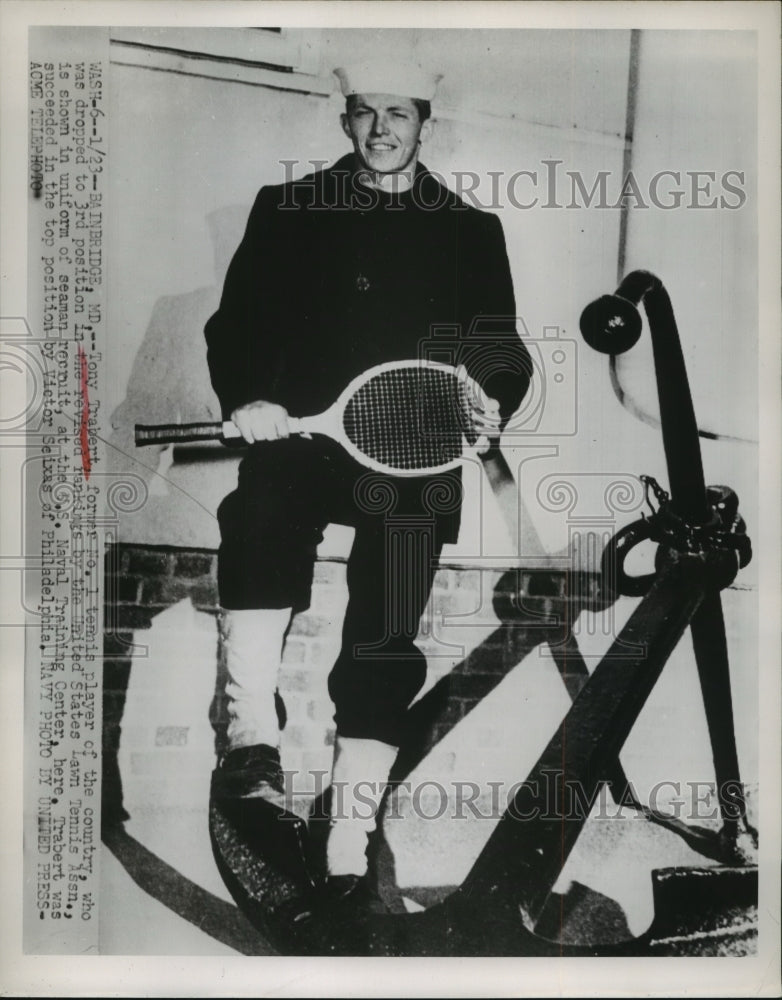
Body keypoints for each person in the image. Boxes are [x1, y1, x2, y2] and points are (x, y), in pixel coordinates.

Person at [204, 60, 532, 910]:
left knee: (389, 618)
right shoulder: (288, 210)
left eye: (399, 114)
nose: (381, 129)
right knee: (261, 511)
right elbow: (236, 322)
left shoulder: (470, 229)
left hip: (416, 456)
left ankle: (350, 827)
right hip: (306, 439)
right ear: (343, 121)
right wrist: (249, 397)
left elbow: (501, 347)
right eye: (364, 114)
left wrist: (492, 398)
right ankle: (248, 735)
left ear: (427, 123)